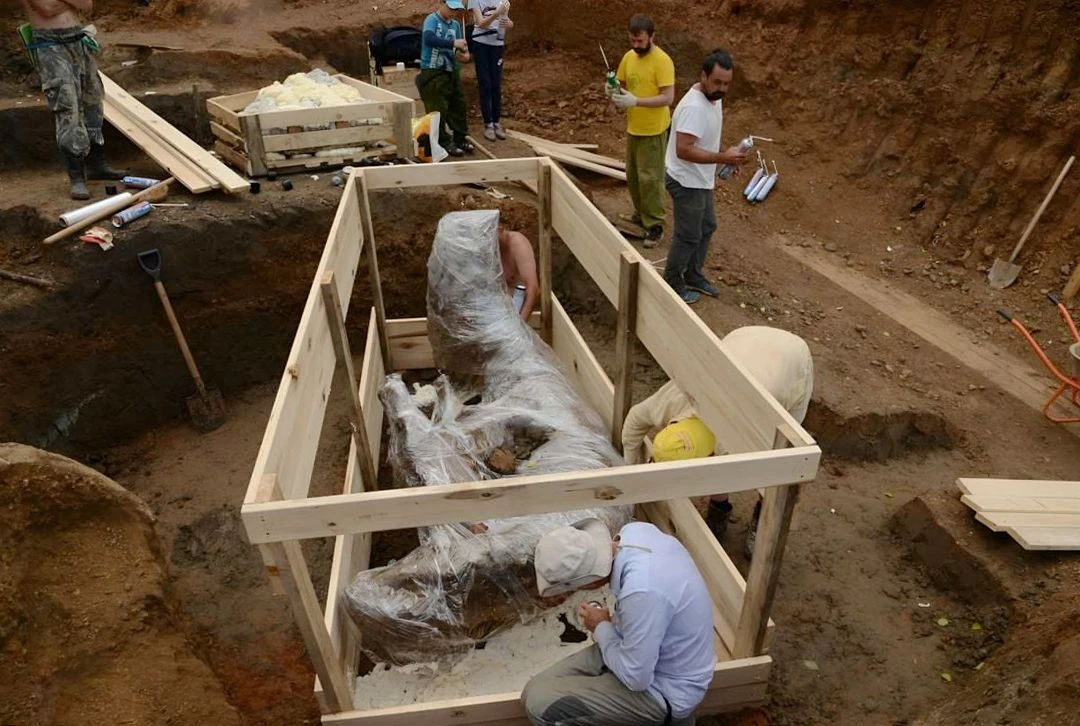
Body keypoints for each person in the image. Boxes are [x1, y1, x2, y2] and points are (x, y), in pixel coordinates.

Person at [621, 326, 813, 558]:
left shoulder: (748, 442)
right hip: (743, 338)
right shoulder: (671, 400)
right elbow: (634, 421)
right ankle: (719, 509)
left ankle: (760, 523)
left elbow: (788, 477)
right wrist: (629, 480)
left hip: (791, 362)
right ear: (672, 424)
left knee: (780, 461)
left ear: (711, 457)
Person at [522, 517, 714, 726]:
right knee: (534, 689)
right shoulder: (635, 533)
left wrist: (601, 627)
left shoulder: (642, 591)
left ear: (590, 581)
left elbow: (636, 678)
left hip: (666, 690)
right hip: (638, 651)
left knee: (540, 707)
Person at [663, 49, 748, 304]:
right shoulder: (694, 107)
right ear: (703, 76)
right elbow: (683, 149)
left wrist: (728, 155)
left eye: (726, 84)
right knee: (688, 235)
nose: (722, 88)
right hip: (685, 180)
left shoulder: (713, 98)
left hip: (700, 178)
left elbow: (705, 138)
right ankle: (672, 281)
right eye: (717, 82)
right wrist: (723, 158)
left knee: (707, 226)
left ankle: (692, 274)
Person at [20, 0, 125, 200]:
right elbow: (48, 9)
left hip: (77, 39)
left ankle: (97, 163)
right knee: (67, 106)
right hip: (50, 44)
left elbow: (87, 5)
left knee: (93, 100)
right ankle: (77, 174)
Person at [609, 14, 675, 249]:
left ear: (652, 37)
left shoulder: (662, 61)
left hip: (654, 130)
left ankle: (655, 225)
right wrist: (612, 90)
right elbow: (620, 82)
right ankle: (641, 214)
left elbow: (668, 97)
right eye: (633, 41)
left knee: (651, 179)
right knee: (634, 176)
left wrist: (636, 102)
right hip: (634, 127)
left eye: (640, 41)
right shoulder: (629, 57)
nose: (636, 46)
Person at [418, 0, 475, 157]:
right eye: (450, 8)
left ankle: (460, 138)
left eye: (456, 9)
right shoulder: (432, 20)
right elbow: (429, 39)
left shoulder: (455, 25)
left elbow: (457, 51)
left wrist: (463, 56)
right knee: (438, 109)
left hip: (451, 70)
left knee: (458, 105)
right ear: (442, 4)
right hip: (433, 69)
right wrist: (452, 42)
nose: (453, 12)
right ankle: (444, 142)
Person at [468, 0, 513, 142]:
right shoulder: (475, 1)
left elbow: (506, 20)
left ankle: (497, 121)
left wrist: (510, 24)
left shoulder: (502, 1)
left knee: (496, 85)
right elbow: (480, 23)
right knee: (485, 83)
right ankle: (488, 124)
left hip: (497, 44)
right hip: (481, 43)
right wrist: (497, 13)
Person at [498, 226, 538, 320]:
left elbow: (533, 288)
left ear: (500, 229)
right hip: (498, 312)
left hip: (518, 310)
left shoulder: (517, 243)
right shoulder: (489, 249)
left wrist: (521, 325)